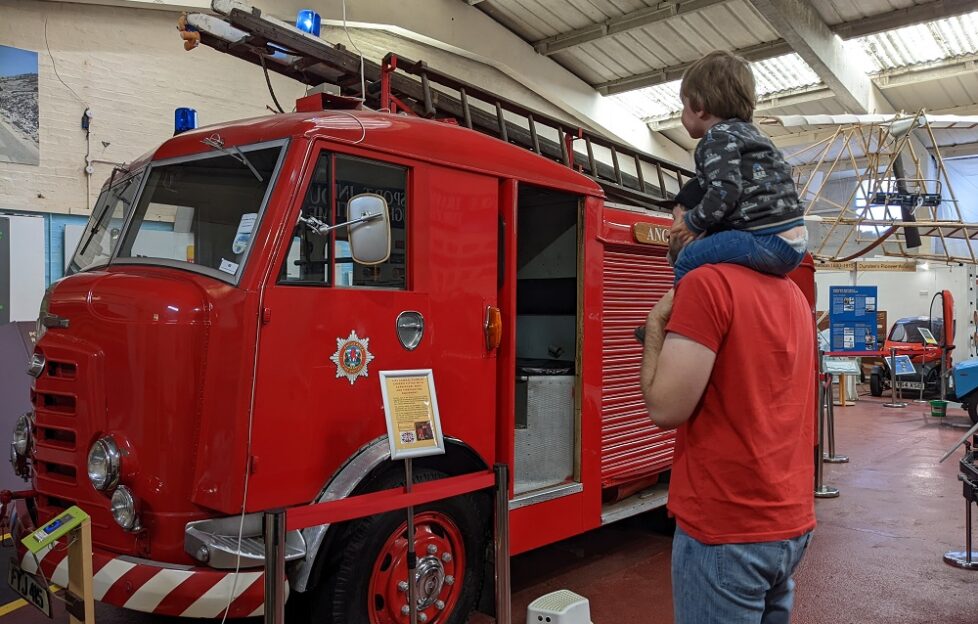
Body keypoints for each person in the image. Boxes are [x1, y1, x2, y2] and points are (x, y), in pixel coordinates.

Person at [639, 216, 816, 624]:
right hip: (788, 522)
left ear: (709, 222)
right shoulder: (791, 292)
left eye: (679, 216)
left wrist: (654, 327)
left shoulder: (707, 283)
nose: (671, 229)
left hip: (726, 527)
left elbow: (664, 409)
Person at [670, 50, 807, 283]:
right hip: (796, 242)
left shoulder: (716, 139)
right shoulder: (755, 136)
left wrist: (693, 221)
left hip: (765, 239)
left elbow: (725, 191)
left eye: (683, 105)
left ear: (699, 106)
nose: (682, 114)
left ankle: (679, 315)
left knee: (687, 258)